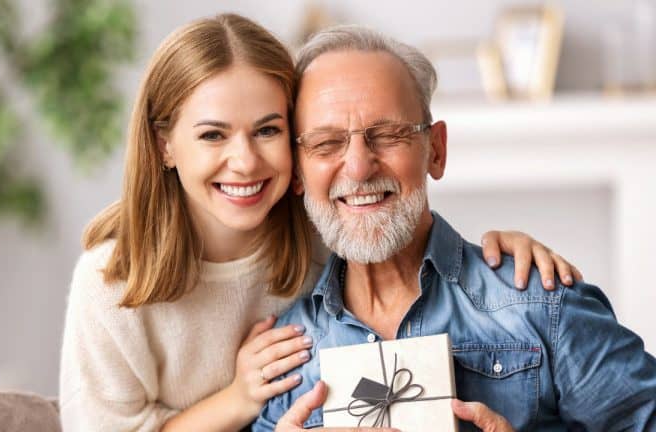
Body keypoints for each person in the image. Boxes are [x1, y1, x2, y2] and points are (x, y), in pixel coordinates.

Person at [59, 14, 582, 432]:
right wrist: (238, 399)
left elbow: (408, 233)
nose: (244, 162)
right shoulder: (113, 283)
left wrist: (502, 250)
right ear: (164, 145)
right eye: (213, 135)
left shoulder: (320, 237)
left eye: (267, 130)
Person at [254, 25, 656, 432]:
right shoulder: (284, 355)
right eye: (326, 143)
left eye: (388, 135)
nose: (359, 168)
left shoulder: (541, 303)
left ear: (437, 151)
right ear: (298, 171)